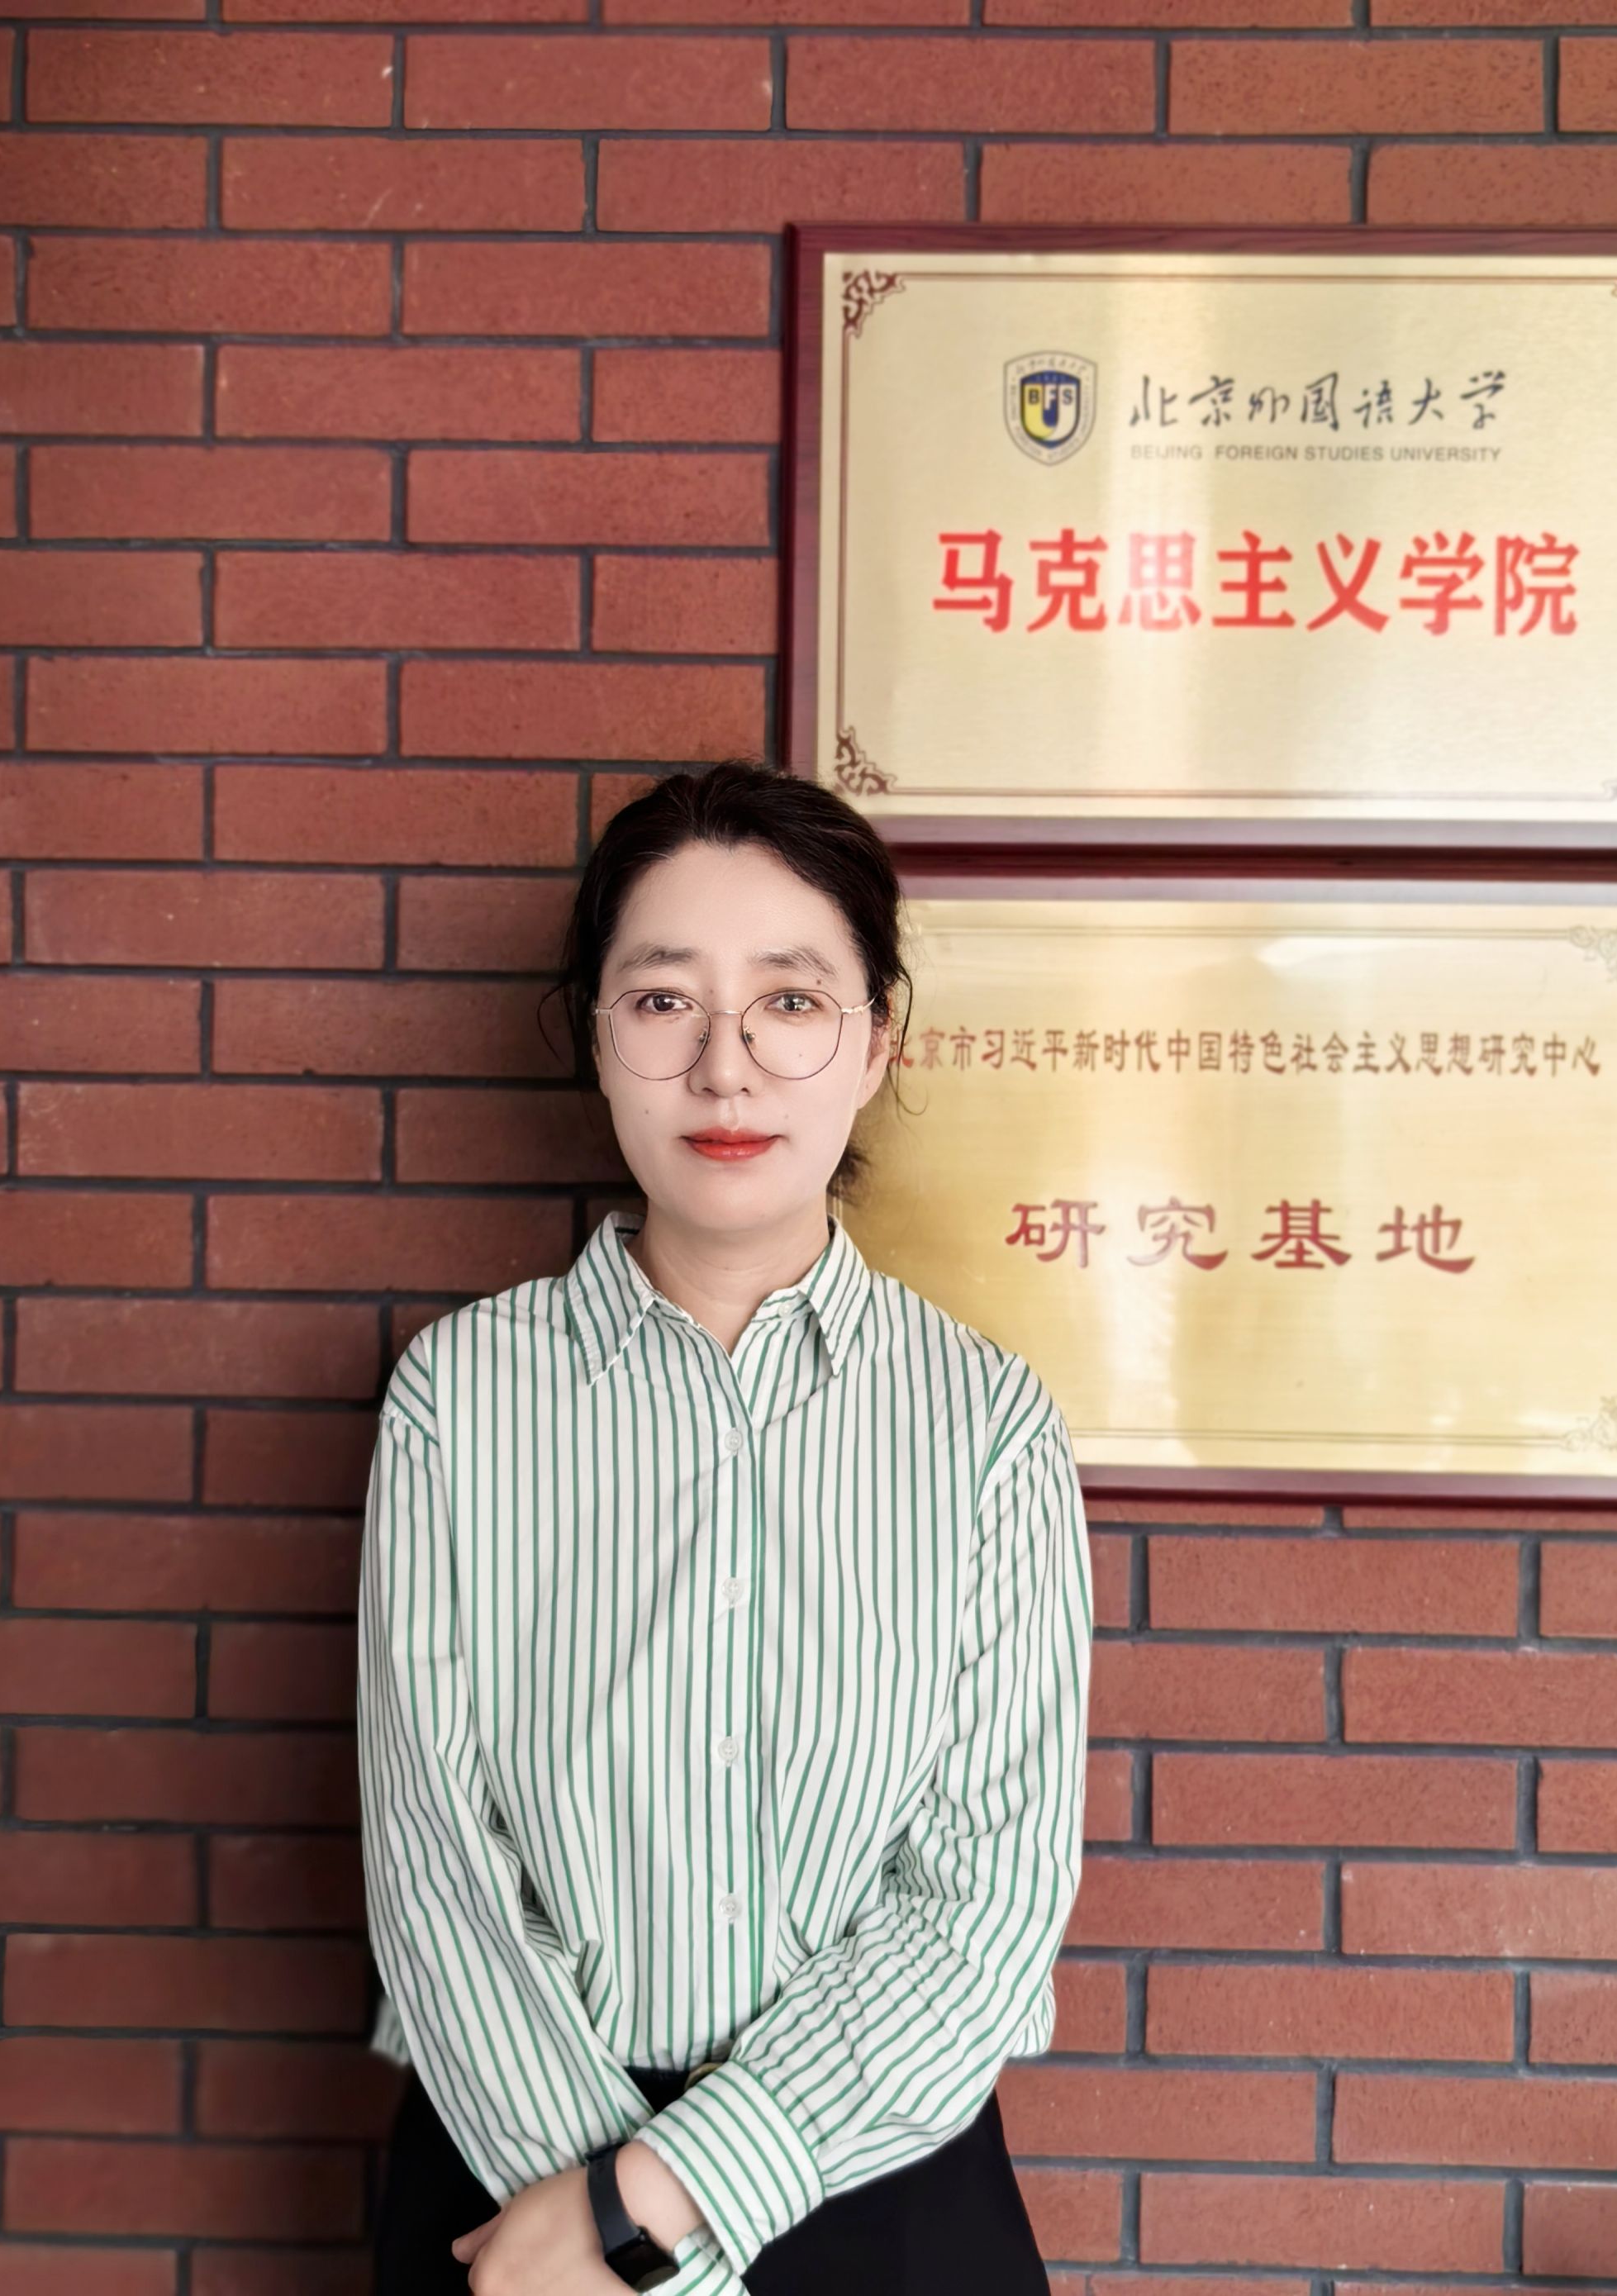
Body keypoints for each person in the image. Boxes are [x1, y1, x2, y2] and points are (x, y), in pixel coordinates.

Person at [358, 759, 1094, 2295]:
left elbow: (988, 1906)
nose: (726, 1071)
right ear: (597, 1038)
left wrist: (648, 2215)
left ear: (876, 1041)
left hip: (875, 2188)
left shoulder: (986, 1428)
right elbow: (435, 1873)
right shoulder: (457, 1401)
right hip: (511, 2179)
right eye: (663, 1002)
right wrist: (593, 2218)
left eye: (789, 1002)